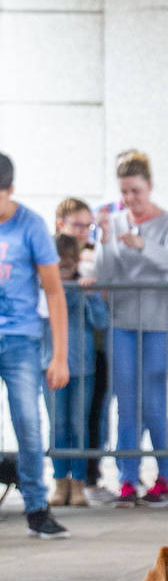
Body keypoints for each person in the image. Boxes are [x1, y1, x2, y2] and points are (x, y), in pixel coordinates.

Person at [93, 151, 168, 507]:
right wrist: (104, 239)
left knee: (154, 402)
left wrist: (142, 244)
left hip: (162, 324)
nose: (130, 199)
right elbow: (106, 275)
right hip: (124, 322)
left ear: (149, 186)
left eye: (136, 191)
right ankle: (128, 480)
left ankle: (165, 478)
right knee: (126, 403)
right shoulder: (115, 221)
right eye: (125, 192)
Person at [0, 152, 71, 537]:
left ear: (11, 190)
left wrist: (59, 356)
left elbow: (55, 292)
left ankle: (36, 508)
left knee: (27, 423)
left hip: (21, 340)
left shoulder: (31, 226)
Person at [55, 196, 117, 504]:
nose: (83, 232)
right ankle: (62, 480)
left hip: (91, 352)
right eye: (77, 225)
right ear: (61, 224)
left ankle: (86, 477)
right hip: (60, 353)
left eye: (87, 226)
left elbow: (102, 312)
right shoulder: (51, 259)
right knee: (61, 420)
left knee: (92, 416)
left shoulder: (94, 256)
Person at [46, 234, 109, 509]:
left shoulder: (82, 289)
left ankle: (78, 483)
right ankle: (60, 482)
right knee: (57, 425)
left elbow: (101, 321)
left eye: (66, 267)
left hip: (82, 366)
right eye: (56, 267)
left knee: (79, 425)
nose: (62, 273)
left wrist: (91, 296)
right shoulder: (44, 290)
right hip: (49, 365)